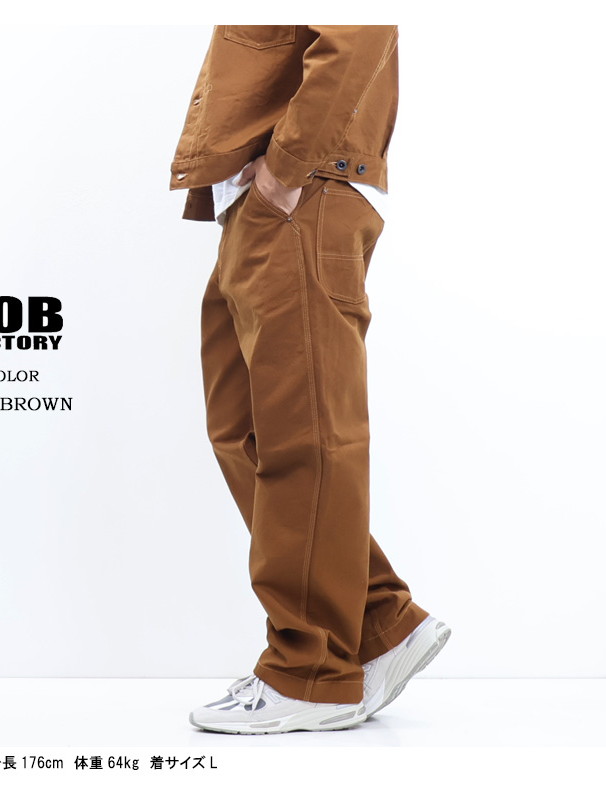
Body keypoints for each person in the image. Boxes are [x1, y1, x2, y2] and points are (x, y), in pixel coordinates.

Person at [169, 25, 451, 735]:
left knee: (304, 437)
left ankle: (311, 671)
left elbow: (358, 31)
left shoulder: (291, 181)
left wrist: (287, 169)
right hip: (257, 200)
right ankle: (377, 621)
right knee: (243, 430)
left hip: (300, 192)